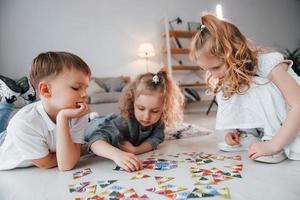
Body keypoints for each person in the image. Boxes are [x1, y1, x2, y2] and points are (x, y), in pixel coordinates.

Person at [190, 14, 300, 163]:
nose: (214, 74)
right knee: (228, 87)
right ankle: (251, 135)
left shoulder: (268, 64)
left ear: (235, 52)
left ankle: (274, 139)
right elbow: (243, 104)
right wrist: (235, 130)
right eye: (208, 70)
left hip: (293, 123)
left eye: (216, 67)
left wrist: (273, 145)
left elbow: (298, 105)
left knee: (258, 85)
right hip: (278, 120)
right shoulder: (230, 74)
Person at [0, 51, 91, 170]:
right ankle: (7, 101)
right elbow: (47, 163)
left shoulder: (77, 113)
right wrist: (78, 150)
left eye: (86, 88)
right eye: (76, 88)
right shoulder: (24, 123)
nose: (84, 95)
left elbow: (66, 163)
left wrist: (62, 117)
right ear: (46, 90)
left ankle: (28, 97)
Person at [85, 70, 184, 172]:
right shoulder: (123, 121)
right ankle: (93, 118)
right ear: (132, 102)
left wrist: (136, 150)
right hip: (93, 127)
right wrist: (117, 155)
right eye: (141, 108)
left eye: (155, 111)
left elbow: (156, 138)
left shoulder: (158, 122)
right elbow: (94, 141)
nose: (146, 116)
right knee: (95, 124)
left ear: (164, 108)